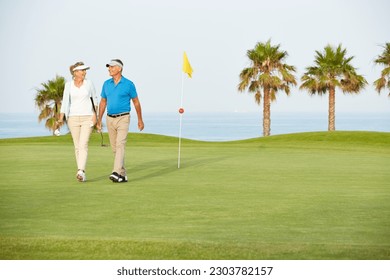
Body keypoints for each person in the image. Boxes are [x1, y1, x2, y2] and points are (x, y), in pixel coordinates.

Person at [97, 59, 144, 183]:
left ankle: (116, 172)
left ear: (119, 68)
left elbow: (136, 102)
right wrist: (98, 119)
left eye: (112, 67)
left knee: (120, 144)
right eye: (109, 67)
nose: (109, 69)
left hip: (123, 118)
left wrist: (140, 119)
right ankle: (122, 175)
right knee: (114, 148)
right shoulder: (106, 84)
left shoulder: (129, 84)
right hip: (109, 118)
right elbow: (103, 102)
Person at [58, 62, 98, 182]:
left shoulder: (89, 83)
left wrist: (95, 116)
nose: (84, 72)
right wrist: (61, 118)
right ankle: (80, 170)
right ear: (75, 72)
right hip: (73, 118)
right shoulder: (68, 85)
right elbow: (65, 103)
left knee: (83, 144)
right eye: (82, 70)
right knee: (77, 146)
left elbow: (95, 99)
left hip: (88, 117)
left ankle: (81, 171)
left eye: (85, 70)